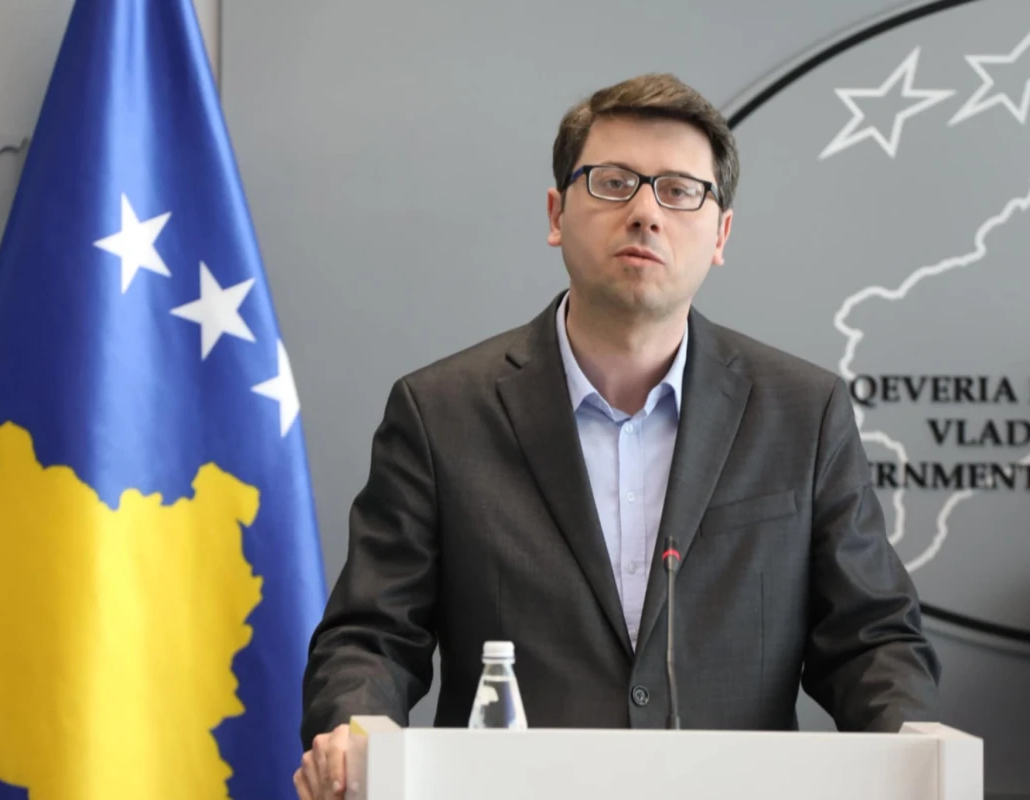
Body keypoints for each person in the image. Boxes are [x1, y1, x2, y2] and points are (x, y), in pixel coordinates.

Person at [292, 73, 942, 800]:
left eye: (680, 191)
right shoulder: (441, 411)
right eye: (613, 183)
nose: (644, 213)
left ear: (721, 234)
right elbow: (372, 637)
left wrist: (914, 749)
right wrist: (353, 731)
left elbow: (869, 639)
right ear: (555, 213)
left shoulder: (801, 412)